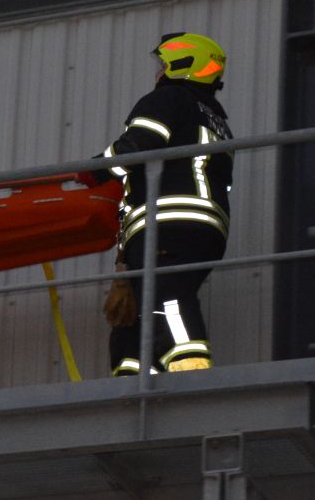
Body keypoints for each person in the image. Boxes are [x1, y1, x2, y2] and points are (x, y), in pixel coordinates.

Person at [85, 32, 233, 375]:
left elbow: (138, 147)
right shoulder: (215, 120)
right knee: (141, 307)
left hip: (170, 222)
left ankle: (189, 366)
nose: (158, 72)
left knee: (168, 293)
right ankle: (133, 376)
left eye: (163, 64)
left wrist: (90, 172)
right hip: (203, 229)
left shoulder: (167, 99)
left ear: (182, 64)